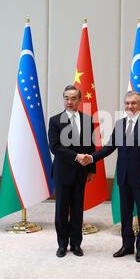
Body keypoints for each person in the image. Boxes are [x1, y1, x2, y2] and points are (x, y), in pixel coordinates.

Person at [79, 91, 140, 262]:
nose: (130, 106)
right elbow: (109, 147)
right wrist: (91, 157)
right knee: (125, 214)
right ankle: (127, 245)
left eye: (134, 103)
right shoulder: (120, 124)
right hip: (123, 177)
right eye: (127, 103)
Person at [48, 85, 95, 258]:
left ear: (79, 100)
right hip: (62, 172)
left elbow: (91, 147)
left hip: (81, 173)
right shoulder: (55, 121)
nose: (69, 101)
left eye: (73, 98)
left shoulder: (88, 120)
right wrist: (76, 156)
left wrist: (91, 169)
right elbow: (55, 147)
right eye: (66, 98)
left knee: (77, 209)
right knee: (61, 210)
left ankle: (76, 244)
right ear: (63, 99)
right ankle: (62, 244)